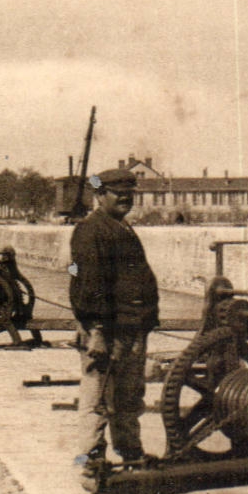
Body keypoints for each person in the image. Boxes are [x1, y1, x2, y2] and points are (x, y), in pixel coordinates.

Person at [69, 167, 160, 473]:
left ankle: (131, 453)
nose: (126, 199)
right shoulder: (91, 229)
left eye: (130, 194)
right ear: (99, 195)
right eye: (118, 194)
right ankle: (92, 460)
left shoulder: (120, 227)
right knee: (98, 397)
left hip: (131, 329)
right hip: (107, 331)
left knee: (128, 397)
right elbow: (88, 284)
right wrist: (95, 331)